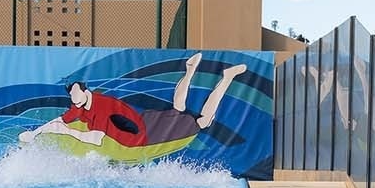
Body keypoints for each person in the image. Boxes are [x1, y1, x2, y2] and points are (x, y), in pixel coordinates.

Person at [19, 52, 249, 149]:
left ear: (85, 90)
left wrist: (66, 132)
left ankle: (225, 78)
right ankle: (189, 72)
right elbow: (60, 119)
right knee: (178, 108)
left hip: (144, 135)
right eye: (70, 94)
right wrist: (36, 133)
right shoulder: (80, 106)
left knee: (203, 120)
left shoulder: (102, 105)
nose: (72, 98)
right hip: (144, 122)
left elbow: (95, 139)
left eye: (74, 93)